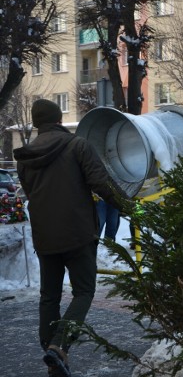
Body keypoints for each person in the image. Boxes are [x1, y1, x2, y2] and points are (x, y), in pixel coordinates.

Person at [13, 99, 130, 377]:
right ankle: (59, 346)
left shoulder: (25, 157)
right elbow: (101, 183)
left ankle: (52, 352)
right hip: (78, 234)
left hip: (45, 236)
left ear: (36, 122)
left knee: (49, 296)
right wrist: (130, 207)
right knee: (84, 291)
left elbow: (32, 194)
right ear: (58, 119)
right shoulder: (77, 146)